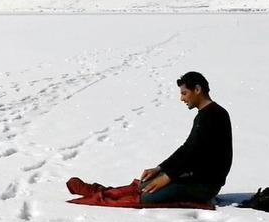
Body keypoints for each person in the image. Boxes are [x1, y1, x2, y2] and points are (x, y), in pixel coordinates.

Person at [66, 71, 232, 208]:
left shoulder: (215, 115)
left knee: (146, 197)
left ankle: (100, 196)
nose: (182, 98)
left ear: (197, 89)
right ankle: (97, 191)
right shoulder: (204, 115)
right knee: (144, 186)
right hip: (194, 179)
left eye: (184, 93)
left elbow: (196, 155)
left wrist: (168, 177)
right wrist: (160, 169)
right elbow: (187, 148)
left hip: (204, 186)